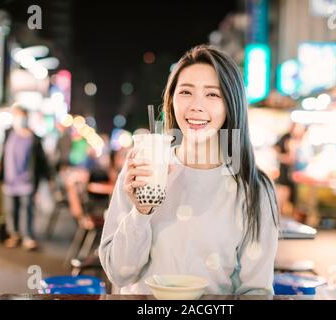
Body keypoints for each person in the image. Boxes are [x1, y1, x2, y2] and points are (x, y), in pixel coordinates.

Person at [99, 45, 279, 295]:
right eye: (186, 92)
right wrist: (141, 213)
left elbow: (256, 290)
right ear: (171, 100)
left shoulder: (253, 189)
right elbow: (118, 272)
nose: (196, 106)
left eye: (212, 95)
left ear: (231, 104)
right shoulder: (142, 170)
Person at [0, 106, 51, 250]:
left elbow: (42, 161)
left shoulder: (34, 138)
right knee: (11, 210)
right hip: (10, 181)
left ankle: (28, 237)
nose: (19, 119)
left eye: (22, 116)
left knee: (27, 209)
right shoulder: (9, 133)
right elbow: (2, 155)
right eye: (17, 116)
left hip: (27, 181)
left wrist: (48, 178)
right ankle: (14, 235)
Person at [274, 123, 306, 219]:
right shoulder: (290, 140)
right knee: (281, 201)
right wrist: (282, 158)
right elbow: (291, 159)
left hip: (287, 174)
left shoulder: (289, 139)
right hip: (286, 174)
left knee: (283, 201)